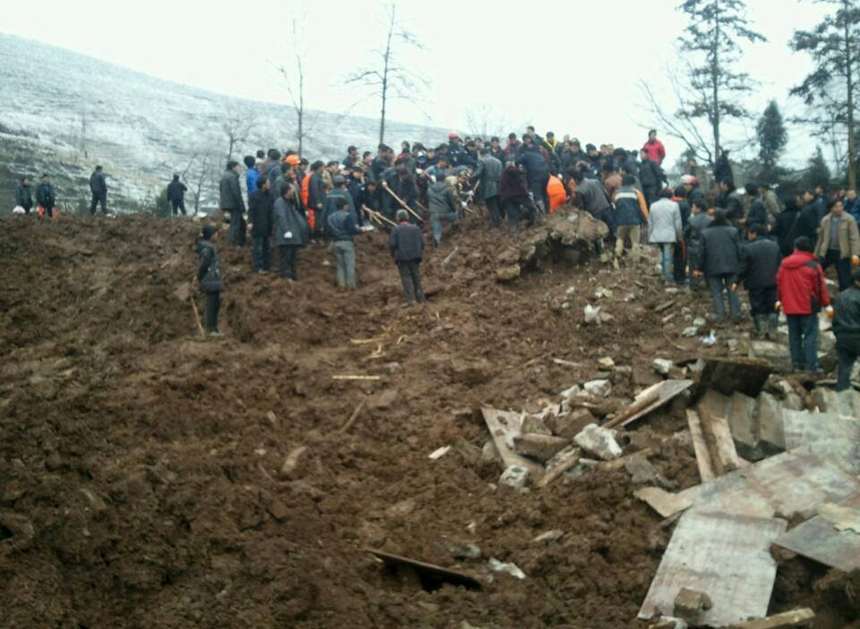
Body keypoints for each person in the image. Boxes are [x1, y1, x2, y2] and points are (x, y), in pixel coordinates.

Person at [777, 236, 830, 372]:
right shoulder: (813, 265)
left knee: (794, 336)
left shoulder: (784, 264)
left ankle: (797, 365)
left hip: (789, 305)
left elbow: (780, 284)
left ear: (796, 248)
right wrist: (826, 304)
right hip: (808, 306)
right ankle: (811, 366)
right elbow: (820, 287)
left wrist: (780, 300)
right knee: (810, 336)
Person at [697, 210, 742, 321]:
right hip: (731, 264)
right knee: (732, 289)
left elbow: (701, 253)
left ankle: (720, 314)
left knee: (716, 291)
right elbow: (740, 250)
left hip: (712, 265)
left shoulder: (705, 233)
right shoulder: (733, 231)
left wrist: (699, 267)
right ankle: (735, 313)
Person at [738, 223, 781, 338]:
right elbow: (780, 264)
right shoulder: (775, 246)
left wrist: (736, 280)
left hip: (755, 283)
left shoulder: (748, 248)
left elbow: (743, 268)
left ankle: (761, 330)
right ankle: (773, 330)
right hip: (773, 281)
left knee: (758, 307)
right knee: (773, 306)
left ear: (753, 233)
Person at [814, 198, 860, 291]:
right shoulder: (825, 219)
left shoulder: (849, 219)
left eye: (841, 206)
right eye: (836, 207)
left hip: (843, 253)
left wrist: (855, 253)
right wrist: (816, 253)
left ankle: (844, 298)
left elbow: (854, 237)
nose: (839, 208)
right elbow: (821, 238)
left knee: (844, 279)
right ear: (831, 208)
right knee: (816, 271)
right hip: (828, 251)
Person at [273, 182, 310, 281]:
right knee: (286, 258)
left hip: (293, 236)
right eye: (292, 189)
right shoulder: (280, 202)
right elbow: (282, 217)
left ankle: (293, 276)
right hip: (286, 237)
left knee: (292, 258)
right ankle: (287, 277)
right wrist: (286, 231)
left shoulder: (290, 202)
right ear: (287, 191)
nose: (293, 191)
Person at [388, 209, 425, 303]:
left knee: (406, 278)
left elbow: (392, 244)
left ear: (398, 219)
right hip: (415, 257)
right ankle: (420, 299)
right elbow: (422, 242)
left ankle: (411, 299)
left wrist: (393, 255)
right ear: (407, 218)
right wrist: (419, 252)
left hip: (402, 258)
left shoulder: (396, 230)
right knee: (416, 277)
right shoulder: (415, 228)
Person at [327, 197, 364, 289]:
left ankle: (341, 284)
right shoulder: (347, 216)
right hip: (347, 242)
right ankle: (351, 285)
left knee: (340, 265)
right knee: (349, 264)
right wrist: (361, 230)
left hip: (336, 242)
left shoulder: (330, 217)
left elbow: (328, 231)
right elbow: (352, 230)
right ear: (345, 206)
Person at [832, 269, 860, 391]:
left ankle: (841, 397)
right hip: (857, 335)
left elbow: (834, 317)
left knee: (844, 367)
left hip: (841, 336)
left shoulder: (840, 296)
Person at [195, 224, 225, 337]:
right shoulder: (207, 248)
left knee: (215, 304)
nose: (217, 235)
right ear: (210, 235)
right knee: (211, 305)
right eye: (215, 233)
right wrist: (198, 276)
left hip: (213, 279)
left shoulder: (211, 246)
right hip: (210, 279)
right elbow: (204, 263)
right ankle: (210, 329)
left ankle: (214, 328)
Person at [649, 189, 683, 281]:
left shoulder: (653, 205)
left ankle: (664, 274)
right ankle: (668, 278)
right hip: (669, 235)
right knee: (668, 257)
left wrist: (649, 235)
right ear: (671, 196)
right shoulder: (674, 205)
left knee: (664, 255)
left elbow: (651, 222)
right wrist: (680, 237)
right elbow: (678, 224)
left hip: (657, 235)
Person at [613, 175, 648, 262]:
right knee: (635, 241)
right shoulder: (636, 192)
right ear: (632, 183)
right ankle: (636, 260)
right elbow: (641, 208)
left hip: (621, 221)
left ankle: (617, 255)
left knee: (620, 238)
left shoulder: (616, 193)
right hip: (634, 220)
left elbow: (614, 207)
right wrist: (645, 220)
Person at [499, 164, 537, 234]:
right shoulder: (514, 172)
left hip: (507, 196)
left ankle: (514, 232)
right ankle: (536, 222)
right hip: (518, 193)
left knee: (513, 216)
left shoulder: (503, 175)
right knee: (532, 207)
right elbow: (520, 181)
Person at [471, 147, 503, 227]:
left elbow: (478, 173)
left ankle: (496, 224)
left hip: (488, 186)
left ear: (481, 154)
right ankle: (502, 219)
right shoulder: (498, 161)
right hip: (499, 185)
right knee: (498, 204)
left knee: (491, 205)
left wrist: (470, 177)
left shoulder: (482, 161)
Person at [248, 175, 273, 273]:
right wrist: (250, 222)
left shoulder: (269, 195)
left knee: (267, 247)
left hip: (267, 225)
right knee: (258, 248)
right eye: (268, 182)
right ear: (263, 185)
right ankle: (258, 267)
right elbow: (251, 210)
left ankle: (267, 266)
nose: (269, 184)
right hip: (258, 226)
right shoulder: (254, 196)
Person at [686, 198, 712, 291]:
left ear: (699, 208)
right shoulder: (711, 220)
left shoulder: (691, 220)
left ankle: (694, 285)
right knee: (708, 267)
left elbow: (686, 234)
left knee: (693, 267)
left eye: (693, 206)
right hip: (707, 248)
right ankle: (709, 285)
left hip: (694, 247)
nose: (692, 208)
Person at [428, 176, 460, 247]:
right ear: (444, 180)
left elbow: (428, 200)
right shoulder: (447, 188)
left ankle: (437, 239)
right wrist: (454, 210)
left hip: (434, 212)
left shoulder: (430, 189)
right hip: (445, 211)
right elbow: (451, 201)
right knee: (455, 216)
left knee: (436, 224)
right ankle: (456, 231)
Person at [219, 160, 247, 246]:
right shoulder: (232, 177)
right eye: (237, 166)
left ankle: (236, 243)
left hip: (226, 203)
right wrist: (242, 207)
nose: (239, 168)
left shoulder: (224, 176)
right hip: (233, 204)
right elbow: (236, 193)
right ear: (233, 167)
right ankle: (233, 244)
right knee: (235, 225)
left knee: (236, 224)